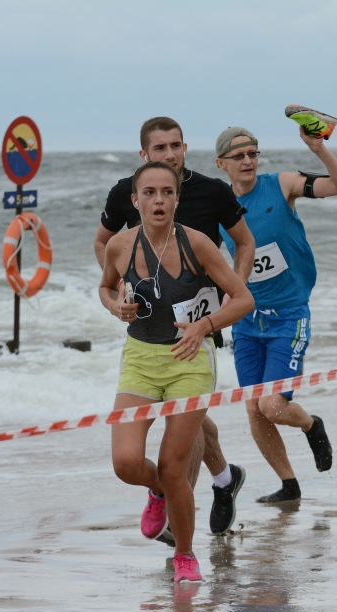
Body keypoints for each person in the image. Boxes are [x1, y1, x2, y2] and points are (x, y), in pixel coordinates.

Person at [94, 117, 256, 536]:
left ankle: (175, 518)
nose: (170, 154)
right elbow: (105, 247)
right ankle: (222, 479)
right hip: (147, 336)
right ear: (143, 156)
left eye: (176, 146)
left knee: (181, 443)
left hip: (198, 327)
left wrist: (223, 304)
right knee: (196, 424)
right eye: (160, 148)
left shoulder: (212, 191)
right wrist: (122, 297)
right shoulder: (125, 191)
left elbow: (244, 242)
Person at [214, 124, 337, 503]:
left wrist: (318, 149)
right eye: (238, 156)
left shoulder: (282, 184)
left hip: (289, 315)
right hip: (247, 319)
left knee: (273, 405)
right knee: (254, 410)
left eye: (252, 153)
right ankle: (289, 485)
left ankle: (311, 425)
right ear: (221, 163)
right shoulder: (219, 206)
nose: (247, 161)